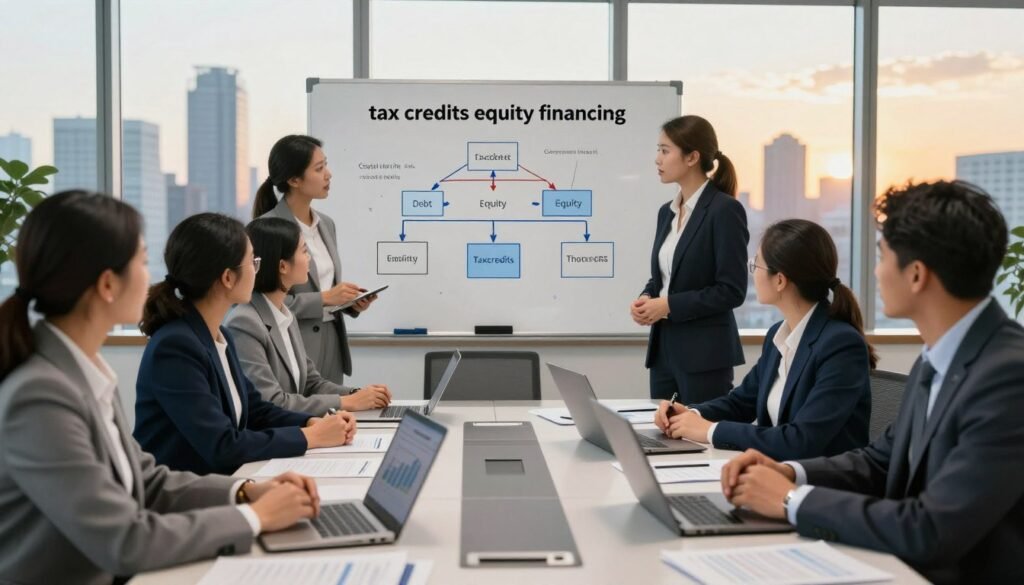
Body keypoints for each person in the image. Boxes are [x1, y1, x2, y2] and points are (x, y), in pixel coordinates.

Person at [0, 191, 322, 584]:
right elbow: (125, 540)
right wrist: (255, 517)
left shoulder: (83, 372)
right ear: (107, 284)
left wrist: (247, 491)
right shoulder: (40, 398)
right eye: (140, 259)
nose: (150, 273)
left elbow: (148, 480)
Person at [720, 181, 1024, 584]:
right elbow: (879, 460)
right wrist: (788, 472)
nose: (876, 271)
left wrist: (790, 500)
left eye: (882, 256)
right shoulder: (939, 357)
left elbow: (930, 529)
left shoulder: (1008, 377)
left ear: (916, 275)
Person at [134, 213, 357, 476]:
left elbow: (257, 410)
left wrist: (312, 421)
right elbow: (223, 445)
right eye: (253, 261)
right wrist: (310, 437)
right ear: (228, 278)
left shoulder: (220, 336)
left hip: (222, 482)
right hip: (182, 497)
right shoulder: (175, 347)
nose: (257, 269)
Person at [654, 219, 875, 460]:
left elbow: (801, 440)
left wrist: (710, 431)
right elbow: (742, 402)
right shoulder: (778, 335)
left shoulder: (840, 345)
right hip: (776, 472)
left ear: (779, 280)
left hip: (820, 485)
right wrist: (691, 414)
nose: (752, 274)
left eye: (755, 266)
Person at [252, 134, 387, 390]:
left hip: (332, 344)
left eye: (326, 164)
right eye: (319, 168)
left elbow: (326, 290)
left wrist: (349, 303)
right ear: (293, 180)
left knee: (333, 417)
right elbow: (261, 303)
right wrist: (325, 298)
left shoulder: (326, 224)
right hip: (292, 345)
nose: (329, 174)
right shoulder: (266, 229)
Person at [632, 115, 749, 403]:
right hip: (663, 352)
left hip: (705, 356)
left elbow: (731, 290)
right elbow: (665, 275)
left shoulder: (724, 210)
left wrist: (668, 305)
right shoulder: (667, 212)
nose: (657, 159)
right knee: (662, 438)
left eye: (665, 150)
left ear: (692, 157)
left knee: (699, 441)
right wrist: (647, 298)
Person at [226, 217, 392, 415]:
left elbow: (312, 383)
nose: (310, 259)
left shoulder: (285, 314)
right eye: (305, 251)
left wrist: (359, 394)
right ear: (282, 266)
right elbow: (272, 401)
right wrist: (345, 402)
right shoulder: (245, 322)